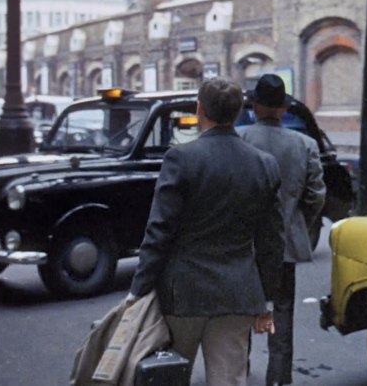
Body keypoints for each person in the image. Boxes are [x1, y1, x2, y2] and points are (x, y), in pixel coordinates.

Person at [127, 77, 285, 386]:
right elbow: (271, 241)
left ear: (200, 110)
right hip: (238, 292)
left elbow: (159, 231)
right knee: (229, 379)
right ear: (239, 112)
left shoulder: (181, 159)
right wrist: (266, 298)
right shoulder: (265, 165)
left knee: (169, 375)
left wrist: (139, 289)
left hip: (183, 292)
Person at [238, 73, 326, 386]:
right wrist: (300, 221)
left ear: (255, 107)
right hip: (286, 244)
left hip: (244, 246)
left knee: (241, 312)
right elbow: (317, 196)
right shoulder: (304, 144)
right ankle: (278, 378)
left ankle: (239, 372)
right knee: (283, 311)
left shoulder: (240, 141)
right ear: (284, 109)